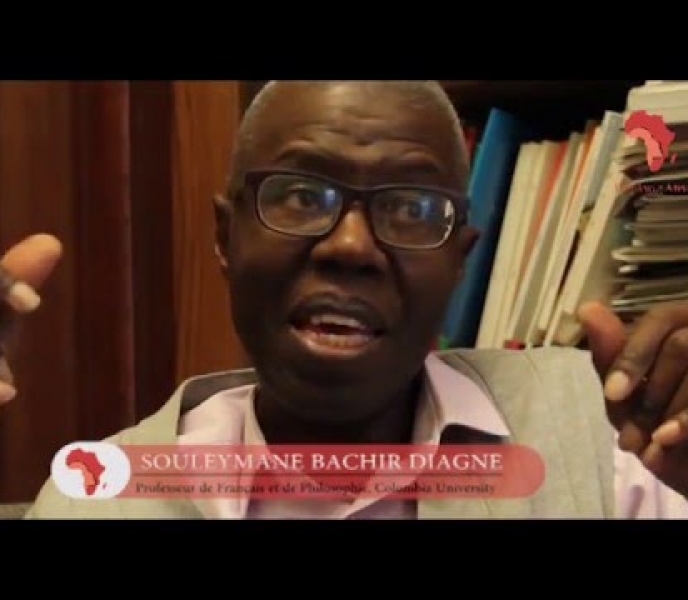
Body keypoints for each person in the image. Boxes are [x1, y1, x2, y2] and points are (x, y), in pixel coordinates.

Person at [3, 80, 688, 519]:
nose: (352, 246)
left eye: (413, 208)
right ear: (225, 237)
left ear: (459, 259)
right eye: (302, 196)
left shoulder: (595, 447)